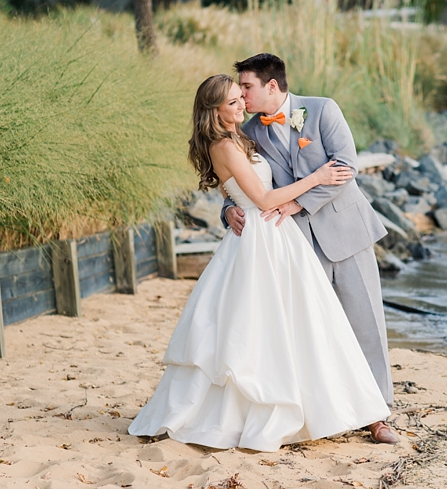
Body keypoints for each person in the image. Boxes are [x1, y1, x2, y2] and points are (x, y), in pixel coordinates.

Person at [127, 75, 391, 452]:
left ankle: (372, 411)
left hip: (302, 236)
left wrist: (241, 202)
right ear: (213, 110)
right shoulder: (228, 142)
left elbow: (334, 167)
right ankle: (274, 407)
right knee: (266, 327)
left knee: (324, 324)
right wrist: (312, 178)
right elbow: (262, 198)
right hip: (263, 238)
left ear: (270, 85)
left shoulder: (273, 125)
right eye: (233, 101)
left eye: (242, 95)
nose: (242, 104)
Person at [221, 53, 399, 445]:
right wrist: (228, 209)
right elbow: (242, 181)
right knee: (316, 331)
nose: (243, 95)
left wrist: (298, 203)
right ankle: (332, 410)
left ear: (272, 85)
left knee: (366, 323)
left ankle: (378, 415)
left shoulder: (321, 110)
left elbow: (346, 165)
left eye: (247, 87)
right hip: (293, 245)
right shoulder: (248, 131)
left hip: (346, 231)